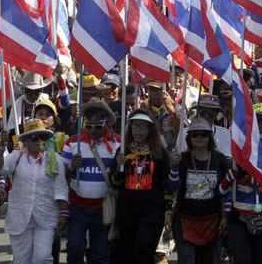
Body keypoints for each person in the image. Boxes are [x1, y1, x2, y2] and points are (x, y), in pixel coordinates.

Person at [0, 119, 68, 264]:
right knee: (21, 260)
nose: (39, 140)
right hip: (20, 218)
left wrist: (64, 212)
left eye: (42, 137)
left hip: (46, 217)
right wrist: (1, 145)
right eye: (34, 137)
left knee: (42, 257)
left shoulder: (54, 159)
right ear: (26, 140)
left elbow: (61, 187)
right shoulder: (17, 156)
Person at [110, 110, 172, 264]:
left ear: (150, 129)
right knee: (126, 253)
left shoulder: (159, 153)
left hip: (152, 209)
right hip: (127, 209)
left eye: (143, 127)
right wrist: (119, 166)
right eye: (135, 126)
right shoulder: (123, 151)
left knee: (144, 249)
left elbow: (166, 183)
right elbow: (115, 183)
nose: (138, 130)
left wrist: (168, 211)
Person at [61, 100, 120, 264]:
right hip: (78, 206)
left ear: (106, 124)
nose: (93, 131)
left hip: (103, 207)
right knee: (74, 248)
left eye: (98, 127)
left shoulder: (117, 143)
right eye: (89, 126)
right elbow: (61, 171)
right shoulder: (73, 141)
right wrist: (71, 165)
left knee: (100, 253)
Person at [169, 120, 231, 264]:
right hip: (185, 218)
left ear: (209, 137)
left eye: (203, 134)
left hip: (212, 219)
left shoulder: (220, 159)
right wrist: (174, 167)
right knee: (187, 259)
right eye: (194, 134)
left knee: (211, 260)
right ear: (188, 138)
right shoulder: (182, 158)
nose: (199, 137)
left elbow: (227, 190)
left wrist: (226, 215)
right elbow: (173, 187)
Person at [224, 132, 262, 264]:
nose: (258, 148)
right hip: (238, 220)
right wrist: (229, 178)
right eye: (254, 144)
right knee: (241, 259)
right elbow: (222, 192)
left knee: (260, 259)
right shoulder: (236, 165)